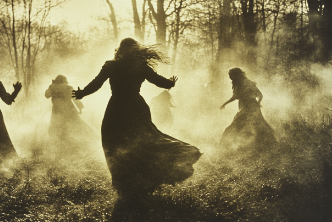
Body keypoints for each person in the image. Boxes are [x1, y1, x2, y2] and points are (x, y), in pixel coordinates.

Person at [72, 38, 201, 219]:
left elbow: (97, 83)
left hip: (117, 107)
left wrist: (82, 93)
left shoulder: (111, 65)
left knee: (113, 142)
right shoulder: (140, 66)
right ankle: (143, 180)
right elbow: (160, 82)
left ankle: (125, 183)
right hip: (136, 106)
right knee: (146, 139)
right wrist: (171, 83)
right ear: (136, 51)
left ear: (120, 50)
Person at [219, 68, 276, 151]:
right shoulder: (237, 84)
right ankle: (242, 148)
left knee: (242, 126)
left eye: (231, 75)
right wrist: (225, 103)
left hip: (250, 108)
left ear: (236, 75)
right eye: (229, 75)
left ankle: (225, 147)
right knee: (253, 126)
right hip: (246, 107)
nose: (230, 77)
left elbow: (260, 95)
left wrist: (258, 103)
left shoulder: (247, 82)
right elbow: (235, 96)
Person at [44, 75, 96, 156]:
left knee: (56, 130)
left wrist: (51, 85)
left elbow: (47, 95)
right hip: (70, 111)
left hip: (57, 112)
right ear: (65, 80)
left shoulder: (52, 87)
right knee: (78, 127)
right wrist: (80, 107)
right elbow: (75, 98)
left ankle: (62, 150)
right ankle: (91, 142)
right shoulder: (69, 87)